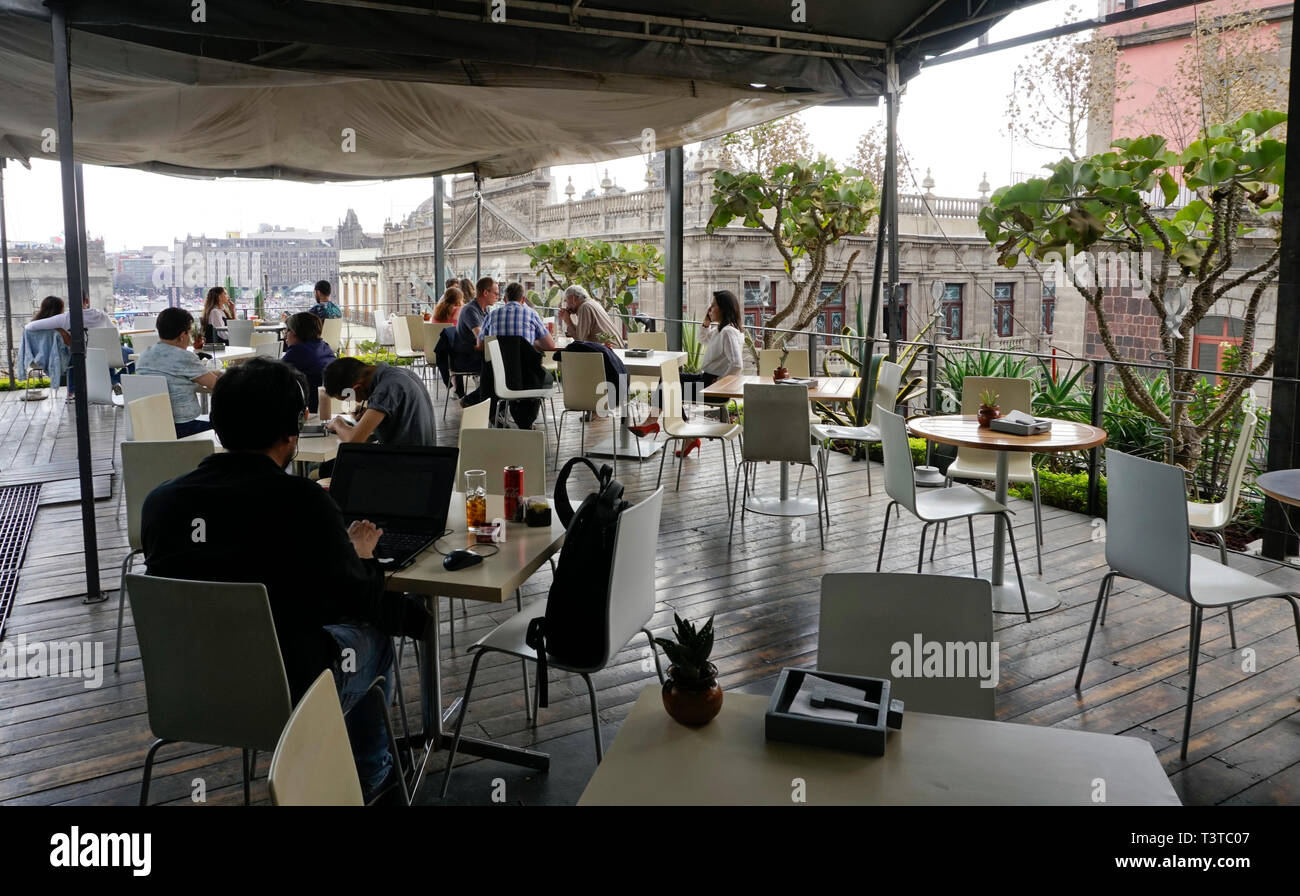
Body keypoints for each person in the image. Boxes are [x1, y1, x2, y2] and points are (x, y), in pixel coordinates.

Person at [141, 357, 424, 802]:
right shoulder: (302, 504)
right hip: (289, 695)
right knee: (374, 635)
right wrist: (362, 553)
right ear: (292, 431)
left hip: (190, 695)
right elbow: (359, 600)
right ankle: (372, 779)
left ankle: (364, 770)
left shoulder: (160, 503)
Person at [478, 281, 556, 428]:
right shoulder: (531, 314)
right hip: (526, 376)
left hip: (497, 376)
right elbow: (549, 345)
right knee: (545, 377)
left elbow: (482, 345)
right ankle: (526, 420)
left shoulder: (492, 315)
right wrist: (529, 343)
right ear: (522, 300)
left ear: (505, 299)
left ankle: (495, 413)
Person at [675, 290, 744, 455]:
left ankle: (685, 434)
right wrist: (706, 323)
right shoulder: (721, 330)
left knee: (668, 388)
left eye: (713, 305)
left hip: (713, 388)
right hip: (705, 379)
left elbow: (737, 364)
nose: (710, 309)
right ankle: (685, 434)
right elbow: (702, 339)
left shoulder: (728, 332)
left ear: (723, 308)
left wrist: (721, 381)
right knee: (669, 378)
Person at [134, 307, 220, 437]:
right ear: (182, 335)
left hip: (149, 427)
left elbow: (173, 375)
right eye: (189, 334)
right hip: (183, 428)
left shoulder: (144, 355)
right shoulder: (184, 357)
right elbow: (217, 385)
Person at [322, 356, 436, 446]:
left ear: (357, 388)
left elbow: (354, 440)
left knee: (328, 469)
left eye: (349, 398)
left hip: (409, 468)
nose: (355, 401)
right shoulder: (400, 374)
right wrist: (370, 413)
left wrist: (338, 423)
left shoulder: (386, 388)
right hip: (425, 460)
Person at [451, 276, 499, 401]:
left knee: (503, 365)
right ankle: (473, 401)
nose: (497, 296)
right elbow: (481, 339)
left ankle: (492, 405)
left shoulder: (485, 311)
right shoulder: (470, 310)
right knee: (498, 367)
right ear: (485, 292)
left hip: (476, 355)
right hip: (466, 359)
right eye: (495, 293)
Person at [280, 312, 337, 413]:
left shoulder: (297, 351)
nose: (285, 336)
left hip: (309, 409)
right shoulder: (324, 346)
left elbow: (274, 378)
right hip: (330, 408)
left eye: (286, 331)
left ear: (295, 332)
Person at [556, 284, 626, 348]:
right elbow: (581, 334)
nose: (566, 305)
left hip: (610, 353)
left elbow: (580, 340)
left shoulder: (585, 307)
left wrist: (568, 321)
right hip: (614, 350)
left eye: (566, 301)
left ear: (573, 298)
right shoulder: (592, 303)